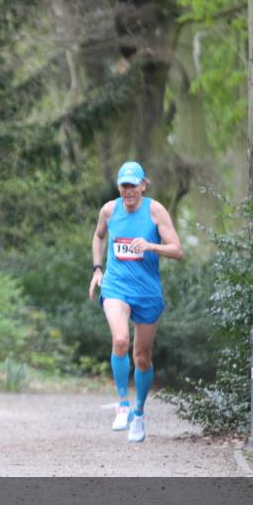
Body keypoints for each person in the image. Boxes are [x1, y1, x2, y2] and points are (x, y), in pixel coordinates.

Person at [88, 161, 183, 442]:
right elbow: (98, 236)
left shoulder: (155, 211)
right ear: (119, 187)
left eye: (133, 185)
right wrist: (97, 269)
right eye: (123, 186)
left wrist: (151, 245)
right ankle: (122, 404)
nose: (128, 191)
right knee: (120, 340)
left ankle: (138, 413)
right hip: (116, 287)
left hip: (147, 292)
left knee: (142, 357)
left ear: (143, 185)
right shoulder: (109, 209)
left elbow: (177, 249)